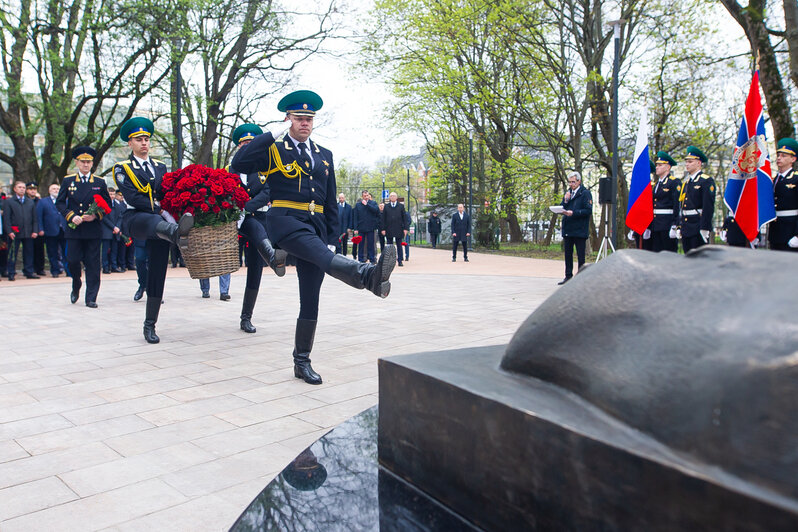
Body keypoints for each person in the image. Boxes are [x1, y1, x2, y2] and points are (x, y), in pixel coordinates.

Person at [232, 89, 396, 385]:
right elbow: (239, 163)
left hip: (316, 225)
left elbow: (330, 201)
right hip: (285, 221)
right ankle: (367, 275)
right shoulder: (274, 148)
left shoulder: (325, 155)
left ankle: (301, 361)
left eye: (309, 118)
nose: (305, 123)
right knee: (322, 259)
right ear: (288, 119)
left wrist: (333, 238)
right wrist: (270, 134)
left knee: (310, 297)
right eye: (299, 118)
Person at [113, 117, 194, 343]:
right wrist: (160, 209)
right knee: (152, 222)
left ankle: (150, 324)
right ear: (130, 143)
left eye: (147, 139)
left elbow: (167, 192)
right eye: (139, 139)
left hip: (162, 224)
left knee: (158, 271)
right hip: (137, 218)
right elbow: (133, 197)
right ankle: (179, 234)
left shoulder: (160, 166)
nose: (144, 143)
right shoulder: (123, 168)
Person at [228, 122, 289, 333]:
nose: (246, 146)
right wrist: (238, 211)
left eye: (250, 143)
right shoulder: (231, 169)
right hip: (236, 221)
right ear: (238, 147)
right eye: (243, 143)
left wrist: (245, 208)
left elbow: (266, 193)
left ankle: (246, 317)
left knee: (254, 270)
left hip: (256, 218)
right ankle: (272, 256)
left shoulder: (266, 167)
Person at [56, 146, 112, 307]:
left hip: (92, 230)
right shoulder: (68, 181)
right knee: (72, 261)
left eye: (88, 162)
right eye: (83, 162)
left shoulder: (99, 182)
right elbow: (60, 203)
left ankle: (91, 297)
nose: (86, 165)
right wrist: (71, 216)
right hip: (75, 229)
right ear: (77, 163)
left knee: (93, 264)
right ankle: (76, 283)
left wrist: (95, 215)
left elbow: (108, 205)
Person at [677, 146, 715, 253]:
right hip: (686, 227)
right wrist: (680, 225)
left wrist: (705, 227)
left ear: (699, 163)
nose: (687, 164)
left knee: (699, 260)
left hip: (697, 226)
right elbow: (682, 206)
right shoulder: (686, 182)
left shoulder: (705, 181)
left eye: (690, 162)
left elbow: (708, 206)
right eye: (686, 162)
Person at [558, 171, 592, 285]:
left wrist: (574, 213)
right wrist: (566, 200)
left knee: (580, 255)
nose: (571, 184)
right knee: (568, 254)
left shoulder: (585, 193)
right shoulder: (568, 193)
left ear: (579, 181)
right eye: (570, 182)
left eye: (573, 182)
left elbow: (588, 210)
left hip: (580, 229)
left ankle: (581, 278)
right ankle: (568, 276)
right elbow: (563, 207)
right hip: (568, 228)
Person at [2, 180, 39, 280]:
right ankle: (11, 272)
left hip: (28, 231)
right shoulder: (9, 202)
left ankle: (29, 271)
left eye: (23, 187)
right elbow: (6, 218)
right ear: (15, 189)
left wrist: (35, 230)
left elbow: (34, 218)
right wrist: (9, 231)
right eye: (19, 187)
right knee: (13, 253)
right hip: (15, 232)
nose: (22, 189)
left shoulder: (30, 202)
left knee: (28, 252)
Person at [769, 137, 798, 251]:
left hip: (791, 232)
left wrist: (797, 235)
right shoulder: (774, 180)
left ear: (793, 159)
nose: (779, 158)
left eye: (784, 156)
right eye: (778, 155)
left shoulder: (795, 179)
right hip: (775, 232)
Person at [651, 151, 681, 252]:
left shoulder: (674, 182)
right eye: (657, 165)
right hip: (656, 224)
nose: (657, 167)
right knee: (657, 253)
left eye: (660, 165)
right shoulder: (656, 184)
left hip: (667, 224)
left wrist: (674, 224)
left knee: (669, 253)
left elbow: (677, 205)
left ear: (668, 167)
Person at [36, 182, 66, 277]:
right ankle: (55, 271)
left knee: (66, 252)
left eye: (57, 189)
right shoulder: (43, 202)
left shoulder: (64, 201)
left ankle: (68, 270)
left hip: (63, 230)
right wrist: (40, 229)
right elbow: (39, 217)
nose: (56, 190)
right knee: (52, 252)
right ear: (49, 191)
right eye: (54, 189)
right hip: (50, 230)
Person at [381, 192, 409, 266]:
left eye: (394, 196)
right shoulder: (386, 206)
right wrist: (383, 229)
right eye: (391, 196)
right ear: (389, 198)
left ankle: (400, 260)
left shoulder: (401, 206)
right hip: (389, 228)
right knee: (389, 245)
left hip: (399, 228)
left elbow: (404, 218)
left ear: (396, 198)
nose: (392, 197)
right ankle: (389, 261)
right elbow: (383, 218)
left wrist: (405, 229)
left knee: (399, 245)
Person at [353, 189, 379, 263]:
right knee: (361, 244)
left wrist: (367, 205)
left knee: (371, 244)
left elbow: (376, 211)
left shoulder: (373, 203)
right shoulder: (358, 205)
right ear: (362, 196)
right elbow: (355, 217)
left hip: (370, 227)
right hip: (361, 227)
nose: (366, 197)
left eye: (367, 195)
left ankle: (372, 259)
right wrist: (355, 228)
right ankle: (360, 259)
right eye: (364, 196)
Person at [100, 186, 122, 273]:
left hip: (115, 231)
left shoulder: (117, 205)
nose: (112, 196)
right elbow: (104, 218)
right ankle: (105, 267)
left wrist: (117, 227)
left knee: (114, 250)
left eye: (113, 194)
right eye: (110, 194)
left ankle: (114, 266)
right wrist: (113, 227)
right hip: (107, 230)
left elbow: (120, 217)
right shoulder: (103, 205)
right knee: (105, 250)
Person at [26, 183, 46, 275]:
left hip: (38, 228)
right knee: (29, 250)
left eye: (34, 189)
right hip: (28, 228)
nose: (32, 191)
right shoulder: (25, 201)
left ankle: (40, 268)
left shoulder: (40, 201)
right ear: (27, 190)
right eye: (30, 189)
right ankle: (31, 268)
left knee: (39, 249)